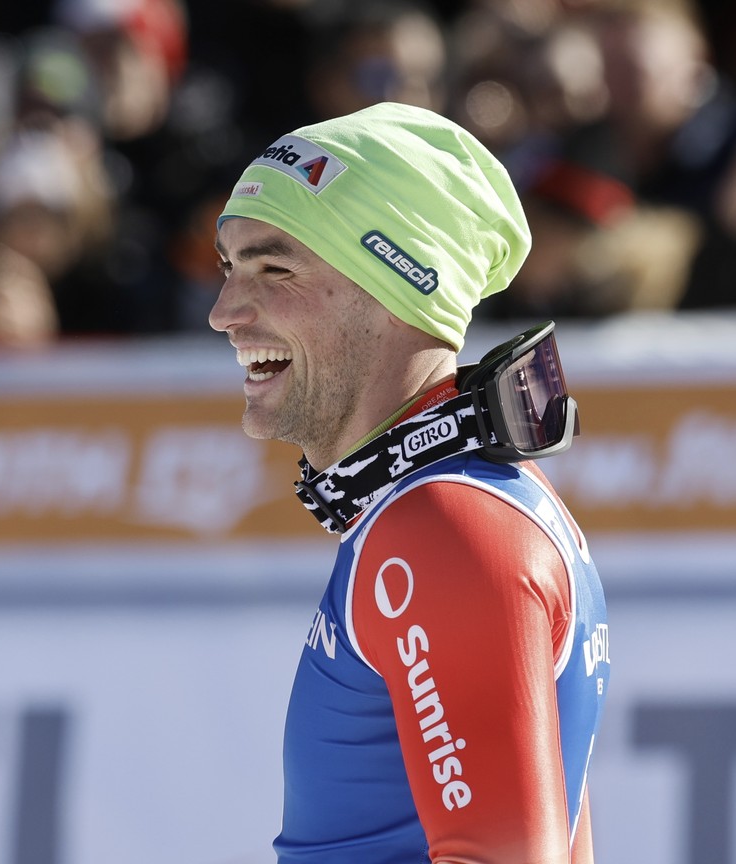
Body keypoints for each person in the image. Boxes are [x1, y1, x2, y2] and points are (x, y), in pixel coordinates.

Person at [208, 102, 609, 863]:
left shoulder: (442, 530)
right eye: (229, 268)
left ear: (393, 287)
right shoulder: (458, 509)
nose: (224, 312)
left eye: (274, 268)